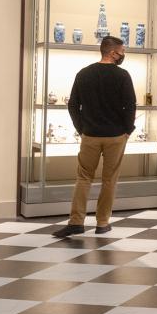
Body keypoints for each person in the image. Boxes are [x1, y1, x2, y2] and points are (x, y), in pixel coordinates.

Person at [53, 36, 136, 238]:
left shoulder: (84, 74)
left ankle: (76, 222)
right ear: (112, 52)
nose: (123, 55)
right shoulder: (123, 75)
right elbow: (130, 105)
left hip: (90, 134)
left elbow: (72, 104)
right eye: (122, 51)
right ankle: (102, 223)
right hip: (116, 135)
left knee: (83, 178)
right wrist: (127, 129)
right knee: (109, 180)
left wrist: (81, 128)